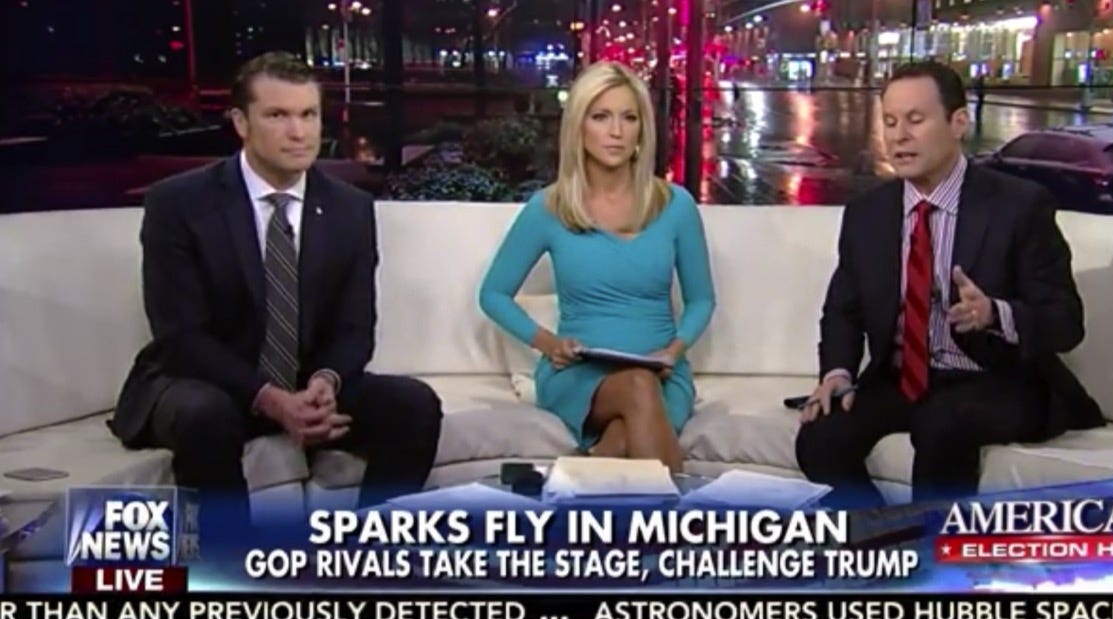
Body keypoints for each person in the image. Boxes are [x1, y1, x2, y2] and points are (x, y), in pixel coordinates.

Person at [108, 52, 443, 531]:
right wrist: (269, 399)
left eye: (308, 114)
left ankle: (373, 549)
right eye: (278, 115)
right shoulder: (179, 203)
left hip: (302, 383)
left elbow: (354, 326)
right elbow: (179, 335)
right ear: (241, 123)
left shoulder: (349, 207)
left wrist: (326, 383)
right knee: (204, 415)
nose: (298, 132)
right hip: (205, 382)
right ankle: (230, 565)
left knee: (414, 405)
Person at [794, 61, 1103, 508]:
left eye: (915, 120)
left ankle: (932, 546)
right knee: (821, 436)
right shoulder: (868, 213)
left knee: (941, 424)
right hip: (902, 379)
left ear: (958, 122)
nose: (899, 136)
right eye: (890, 122)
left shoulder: (1019, 206)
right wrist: (837, 374)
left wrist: (995, 314)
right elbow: (843, 309)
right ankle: (881, 534)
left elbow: (1066, 322)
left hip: (999, 380)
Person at [478, 61, 716, 474]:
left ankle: (574, 482)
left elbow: (702, 300)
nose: (616, 131)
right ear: (579, 126)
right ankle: (681, 514)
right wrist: (549, 343)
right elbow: (493, 294)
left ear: (643, 129)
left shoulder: (676, 205)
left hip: (662, 373)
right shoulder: (549, 207)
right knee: (638, 386)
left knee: (625, 431)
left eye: (629, 118)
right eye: (601, 117)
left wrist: (674, 351)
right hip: (579, 376)